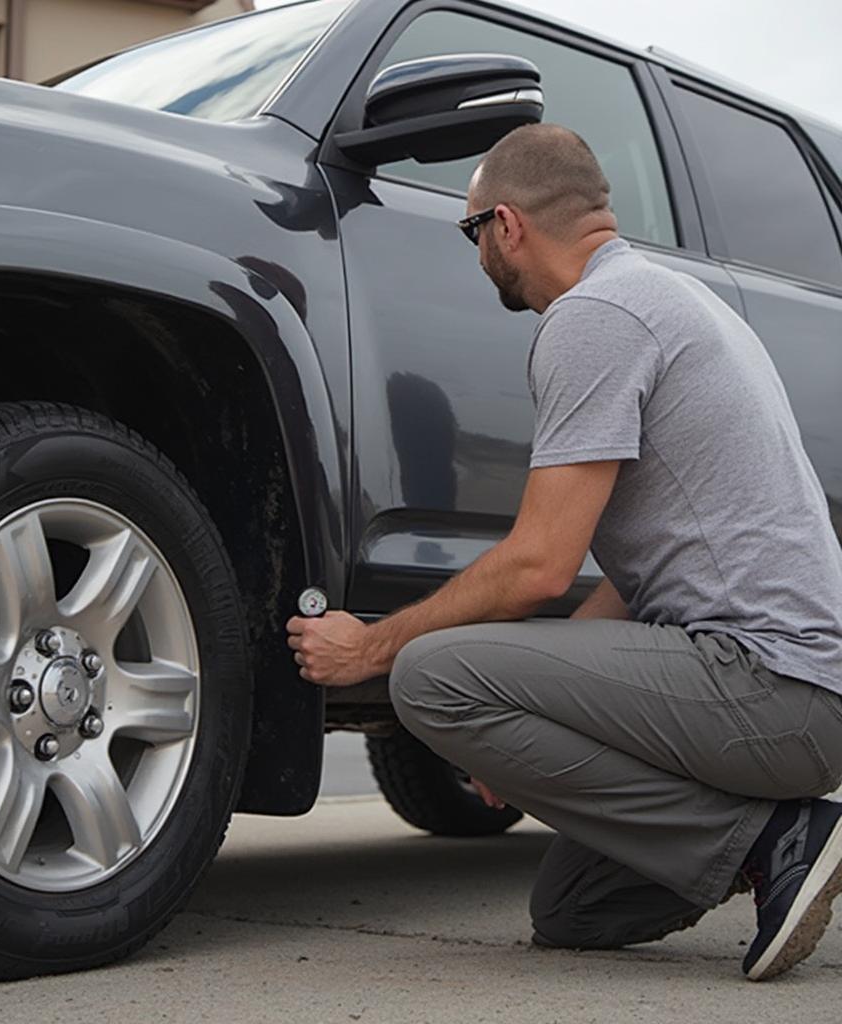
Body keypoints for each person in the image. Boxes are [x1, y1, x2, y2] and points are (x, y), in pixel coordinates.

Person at [286, 123, 842, 981]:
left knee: (430, 677)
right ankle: (762, 843)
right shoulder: (673, 301)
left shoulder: (594, 318)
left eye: (470, 232)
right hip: (790, 690)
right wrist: (540, 729)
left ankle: (781, 840)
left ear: (506, 225)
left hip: (776, 684)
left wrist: (370, 646)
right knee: (575, 911)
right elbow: (630, 579)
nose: (475, 257)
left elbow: (538, 565)